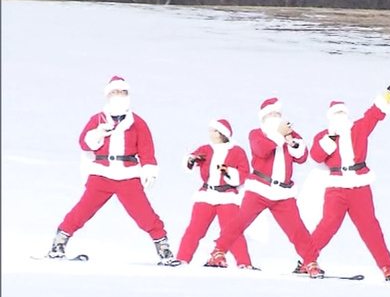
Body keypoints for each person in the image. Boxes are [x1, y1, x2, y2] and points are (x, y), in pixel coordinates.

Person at [47, 76, 176, 265]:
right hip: (102, 173)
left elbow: (146, 148)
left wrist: (149, 168)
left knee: (145, 215)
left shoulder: (137, 123)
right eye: (115, 93)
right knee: (82, 211)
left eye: (122, 93)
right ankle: (59, 242)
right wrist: (97, 134)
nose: (119, 96)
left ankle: (163, 247)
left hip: (128, 175)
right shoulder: (97, 119)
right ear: (108, 95)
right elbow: (84, 143)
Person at [301, 86, 390, 281]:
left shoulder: (359, 128)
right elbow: (316, 156)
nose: (339, 116)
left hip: (359, 185)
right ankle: (307, 259)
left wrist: (387, 94)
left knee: (369, 226)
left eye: (342, 113)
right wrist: (330, 138)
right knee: (328, 225)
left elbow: (374, 114)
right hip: (337, 185)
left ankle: (386, 266)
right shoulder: (324, 137)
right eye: (336, 113)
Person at [204, 98, 313, 270]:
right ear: (263, 118)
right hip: (260, 189)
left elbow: (301, 157)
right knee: (239, 222)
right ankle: (218, 251)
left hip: (283, 193)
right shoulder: (256, 134)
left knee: (297, 229)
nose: (275, 117)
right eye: (271, 114)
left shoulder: (289, 134)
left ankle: (309, 261)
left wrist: (292, 142)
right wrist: (278, 135)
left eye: (278, 114)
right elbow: (261, 150)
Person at [174, 119, 254, 268]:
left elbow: (243, 174)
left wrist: (228, 171)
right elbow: (190, 160)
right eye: (211, 131)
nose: (212, 134)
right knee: (194, 229)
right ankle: (182, 258)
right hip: (207, 194)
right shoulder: (206, 148)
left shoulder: (236, 151)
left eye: (215, 131)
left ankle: (243, 262)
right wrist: (191, 160)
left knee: (232, 231)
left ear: (223, 134)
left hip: (227, 196)